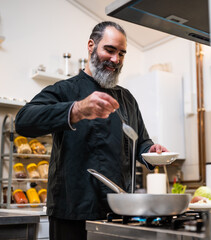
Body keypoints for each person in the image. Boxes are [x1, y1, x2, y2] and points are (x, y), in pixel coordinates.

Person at [15, 21, 168, 240]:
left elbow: (141, 141)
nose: (116, 59)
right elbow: (23, 120)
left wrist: (152, 151)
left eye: (122, 54)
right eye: (110, 50)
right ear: (91, 45)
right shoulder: (65, 90)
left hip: (118, 212)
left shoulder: (127, 99)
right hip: (72, 213)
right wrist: (77, 109)